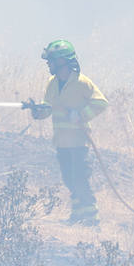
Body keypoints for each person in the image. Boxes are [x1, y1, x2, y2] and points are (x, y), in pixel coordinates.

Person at [22, 40, 108, 225]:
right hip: (61, 141)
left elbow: (101, 103)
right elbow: (48, 108)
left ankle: (91, 219)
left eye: (51, 60)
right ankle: (77, 215)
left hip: (78, 142)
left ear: (62, 61)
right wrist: (37, 111)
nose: (48, 64)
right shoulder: (52, 83)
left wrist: (81, 115)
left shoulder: (81, 82)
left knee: (80, 179)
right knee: (69, 180)